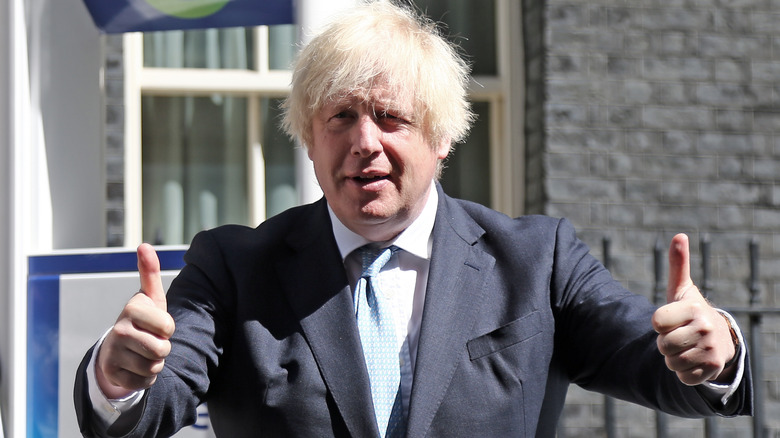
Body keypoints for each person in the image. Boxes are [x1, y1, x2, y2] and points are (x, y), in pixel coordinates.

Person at [74, 1, 752, 437]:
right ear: (309, 139)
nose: (365, 141)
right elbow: (143, 409)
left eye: (391, 118)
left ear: (442, 137)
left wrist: (712, 348)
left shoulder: (536, 261)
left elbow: (651, 356)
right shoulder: (232, 267)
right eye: (340, 117)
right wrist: (118, 376)